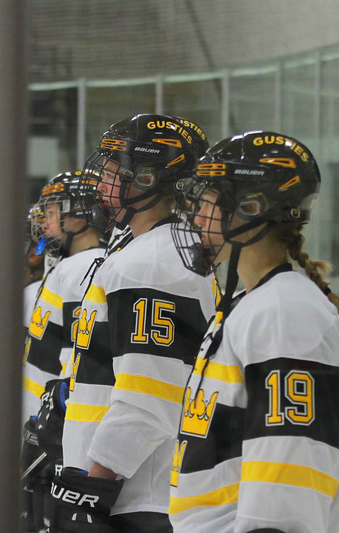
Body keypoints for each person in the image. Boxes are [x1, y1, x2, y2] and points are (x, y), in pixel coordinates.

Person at [168, 131, 339, 533]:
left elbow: (285, 506)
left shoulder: (286, 316)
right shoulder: (251, 305)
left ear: (251, 207)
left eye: (208, 201)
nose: (197, 216)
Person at [51, 114, 215, 533]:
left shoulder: (152, 264)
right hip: (132, 489)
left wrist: (96, 484)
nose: (102, 185)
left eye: (111, 172)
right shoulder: (145, 249)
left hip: (138, 496)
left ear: (147, 180)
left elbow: (149, 396)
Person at [20, 171, 108, 531]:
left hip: (55, 434)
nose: (44, 220)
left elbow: (54, 362)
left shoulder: (72, 271)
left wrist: (31, 429)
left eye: (52, 211)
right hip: (69, 431)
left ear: (80, 215)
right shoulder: (94, 265)